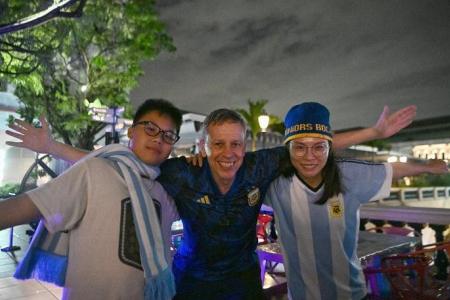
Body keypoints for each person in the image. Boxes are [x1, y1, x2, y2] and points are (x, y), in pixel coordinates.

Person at [5, 103, 417, 299]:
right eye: (218, 144)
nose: (227, 153)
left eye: (235, 144)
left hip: (241, 279)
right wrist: (54, 147)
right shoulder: (184, 171)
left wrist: (373, 129)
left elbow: (312, 142)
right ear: (205, 144)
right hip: (193, 280)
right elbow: (119, 165)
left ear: (246, 145)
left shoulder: (259, 167)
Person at [0, 99, 182, 300]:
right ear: (131, 131)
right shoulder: (93, 172)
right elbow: (21, 208)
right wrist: (52, 147)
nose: (159, 139)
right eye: (150, 128)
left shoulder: (164, 194)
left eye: (169, 135)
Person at [265, 102, 448, 300]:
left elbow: (391, 169)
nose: (309, 157)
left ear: (329, 147)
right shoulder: (276, 183)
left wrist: (426, 167)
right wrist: (372, 133)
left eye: (319, 147)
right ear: (287, 149)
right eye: (299, 147)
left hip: (350, 294)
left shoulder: (349, 175)